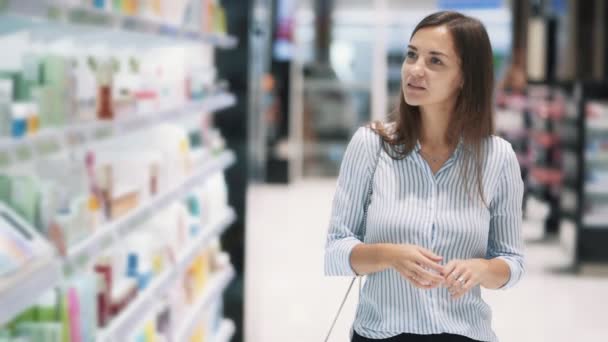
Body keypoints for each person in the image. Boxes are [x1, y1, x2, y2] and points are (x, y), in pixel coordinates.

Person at [324, 11, 524, 342]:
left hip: (465, 334)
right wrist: (389, 255)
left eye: (435, 61)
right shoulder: (371, 146)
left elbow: (512, 262)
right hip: (381, 334)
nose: (415, 70)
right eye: (412, 55)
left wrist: (483, 270)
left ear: (464, 77)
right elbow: (335, 252)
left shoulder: (497, 157)